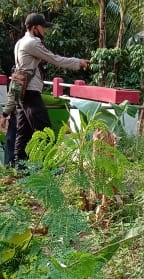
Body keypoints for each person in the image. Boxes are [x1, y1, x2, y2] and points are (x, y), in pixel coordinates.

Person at [12, 13, 89, 166]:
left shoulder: (20, 42)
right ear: (34, 28)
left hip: (21, 92)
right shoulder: (32, 43)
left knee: (24, 131)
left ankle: (19, 168)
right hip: (31, 93)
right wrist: (78, 62)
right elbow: (55, 59)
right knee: (45, 130)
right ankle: (49, 166)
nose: (45, 31)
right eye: (43, 27)